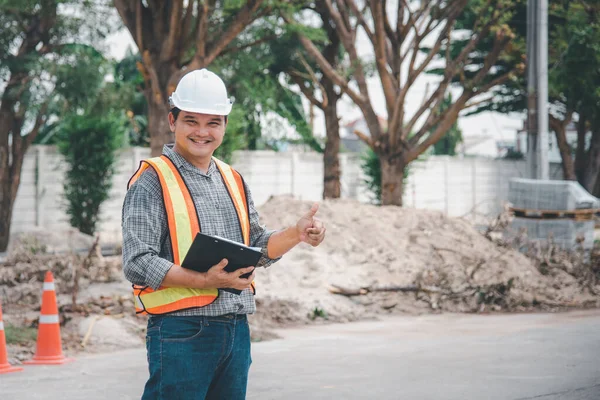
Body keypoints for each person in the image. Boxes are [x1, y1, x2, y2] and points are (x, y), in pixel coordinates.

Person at [121, 68, 326, 400]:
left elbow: (256, 244)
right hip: (181, 331)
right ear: (173, 121)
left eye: (213, 122)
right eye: (191, 121)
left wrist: (295, 234)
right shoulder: (152, 180)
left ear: (224, 126)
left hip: (235, 328)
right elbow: (137, 262)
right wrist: (204, 281)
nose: (202, 132)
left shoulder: (233, 179)